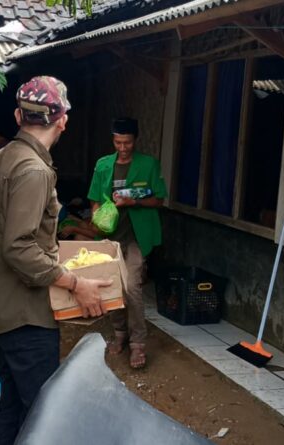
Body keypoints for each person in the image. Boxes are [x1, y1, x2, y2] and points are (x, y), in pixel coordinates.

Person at [0, 76, 111, 445]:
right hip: (25, 313)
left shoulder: (2, 158)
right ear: (63, 119)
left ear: (19, 115)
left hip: (1, 304)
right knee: (44, 413)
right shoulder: (32, 170)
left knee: (15, 407)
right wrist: (76, 283)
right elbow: (18, 247)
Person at [87, 117, 168, 369]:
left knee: (132, 287)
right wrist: (96, 217)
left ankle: (138, 344)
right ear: (113, 140)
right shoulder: (103, 165)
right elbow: (94, 199)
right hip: (110, 237)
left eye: (128, 142)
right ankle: (119, 333)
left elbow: (159, 200)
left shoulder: (148, 165)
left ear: (135, 140)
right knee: (112, 287)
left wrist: (134, 202)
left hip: (136, 236)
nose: (123, 147)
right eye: (118, 142)